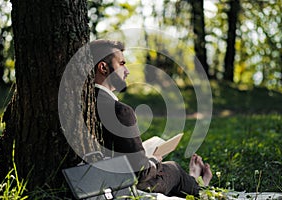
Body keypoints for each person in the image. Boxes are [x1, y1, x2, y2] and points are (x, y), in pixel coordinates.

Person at [90, 39, 212, 198]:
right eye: (121, 64)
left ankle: (192, 180)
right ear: (103, 67)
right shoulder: (120, 111)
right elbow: (140, 173)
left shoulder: (84, 102)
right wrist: (155, 159)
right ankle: (199, 184)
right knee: (173, 168)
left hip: (104, 175)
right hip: (124, 184)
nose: (127, 71)